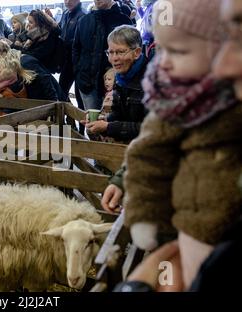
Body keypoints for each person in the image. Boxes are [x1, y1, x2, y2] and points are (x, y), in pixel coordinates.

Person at [123, 0, 241, 290]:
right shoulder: (173, 102)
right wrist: (145, 216)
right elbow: (146, 157)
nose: (162, 62)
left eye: (177, 51)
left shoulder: (230, 96)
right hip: (194, 227)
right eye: (161, 49)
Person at [81, 25, 148, 143]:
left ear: (137, 53)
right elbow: (119, 113)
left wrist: (108, 127)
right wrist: (105, 119)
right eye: (110, 52)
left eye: (120, 52)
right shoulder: (121, 78)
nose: (114, 58)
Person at [73, 0, 132, 111]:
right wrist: (78, 70)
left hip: (115, 84)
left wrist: (116, 71)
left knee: (112, 122)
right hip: (86, 82)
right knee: (92, 123)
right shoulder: (84, 20)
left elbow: (131, 51)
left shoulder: (123, 20)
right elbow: (76, 48)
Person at [58, 0, 86, 128]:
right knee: (60, 91)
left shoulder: (83, 16)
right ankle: (71, 122)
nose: (68, 1)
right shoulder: (65, 14)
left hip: (78, 62)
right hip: (66, 61)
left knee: (80, 98)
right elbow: (60, 32)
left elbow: (79, 42)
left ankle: (81, 129)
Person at [21, 9, 62, 74]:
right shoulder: (34, 34)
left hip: (43, 72)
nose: (28, 25)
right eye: (28, 21)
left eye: (31, 22)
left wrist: (18, 49)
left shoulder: (49, 37)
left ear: (39, 24)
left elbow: (34, 55)